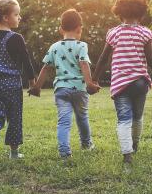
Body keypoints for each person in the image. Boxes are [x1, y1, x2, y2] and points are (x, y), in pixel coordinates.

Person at [92, 0, 152, 164]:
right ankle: (135, 144)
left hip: (120, 85)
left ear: (119, 13)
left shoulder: (113, 33)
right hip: (140, 83)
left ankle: (127, 155)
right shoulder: (145, 33)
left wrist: (93, 80)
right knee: (137, 117)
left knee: (124, 119)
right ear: (141, 13)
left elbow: (102, 59)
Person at [28, 9, 100, 158]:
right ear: (80, 28)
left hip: (61, 90)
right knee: (82, 117)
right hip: (80, 89)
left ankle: (64, 151)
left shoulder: (54, 47)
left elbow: (45, 68)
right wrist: (89, 84)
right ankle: (86, 144)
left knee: (64, 121)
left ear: (61, 29)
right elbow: (84, 64)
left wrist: (36, 87)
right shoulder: (82, 45)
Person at [0, 0, 36, 168]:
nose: (19, 18)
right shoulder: (16, 38)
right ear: (6, 17)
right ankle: (13, 152)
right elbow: (26, 61)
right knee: (14, 117)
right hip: (11, 84)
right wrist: (32, 83)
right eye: (17, 14)